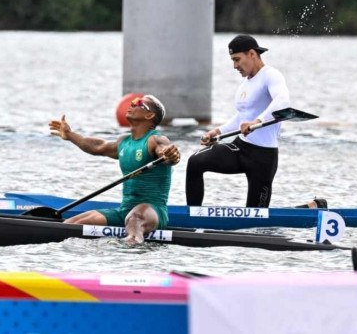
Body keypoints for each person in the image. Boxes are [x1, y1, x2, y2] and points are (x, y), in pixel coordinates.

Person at [185, 34, 325, 209]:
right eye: (232, 60)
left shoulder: (271, 75)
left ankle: (313, 207)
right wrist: (218, 132)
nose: (234, 66)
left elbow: (282, 102)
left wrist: (256, 121)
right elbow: (241, 117)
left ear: (252, 54)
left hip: (263, 157)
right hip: (239, 148)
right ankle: (192, 215)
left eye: (237, 59)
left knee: (256, 217)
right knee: (195, 162)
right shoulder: (245, 84)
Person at [48, 95, 180, 245]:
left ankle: (129, 250)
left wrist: (171, 155)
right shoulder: (124, 141)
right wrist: (70, 135)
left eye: (139, 103)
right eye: (132, 102)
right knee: (73, 224)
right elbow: (97, 146)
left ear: (149, 115)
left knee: (135, 218)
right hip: (124, 211)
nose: (132, 104)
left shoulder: (155, 140)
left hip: (151, 211)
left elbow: (167, 154)